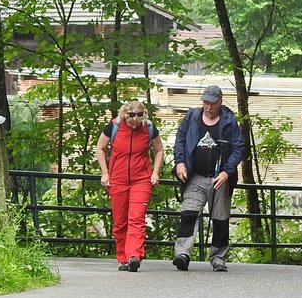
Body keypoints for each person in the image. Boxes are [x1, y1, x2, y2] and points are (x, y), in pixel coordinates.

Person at [171, 84, 244, 272]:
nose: (208, 107)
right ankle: (182, 254)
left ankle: (218, 257)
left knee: (220, 218)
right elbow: (180, 139)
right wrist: (179, 162)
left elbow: (238, 148)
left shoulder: (229, 121)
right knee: (189, 213)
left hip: (220, 178)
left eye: (212, 103)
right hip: (195, 175)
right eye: (205, 102)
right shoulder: (192, 117)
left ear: (220, 102)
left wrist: (227, 171)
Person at [96, 100, 164, 272]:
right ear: (124, 114)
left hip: (141, 179)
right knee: (120, 221)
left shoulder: (148, 128)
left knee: (137, 218)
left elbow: (159, 150)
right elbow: (100, 148)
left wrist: (155, 172)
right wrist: (105, 173)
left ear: (144, 115)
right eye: (131, 115)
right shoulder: (114, 126)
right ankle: (123, 257)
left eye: (139, 115)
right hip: (118, 179)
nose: (135, 119)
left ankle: (134, 255)